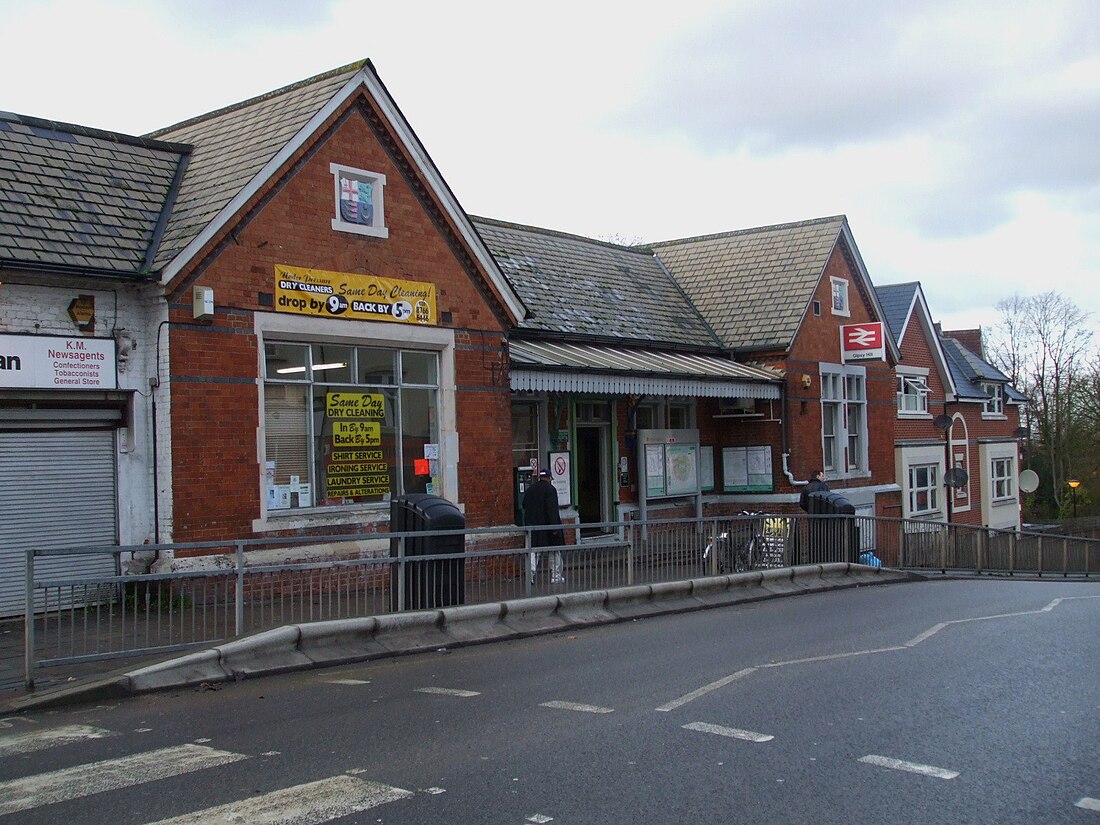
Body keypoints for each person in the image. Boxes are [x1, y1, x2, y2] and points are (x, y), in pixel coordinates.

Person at [522, 469, 565, 584]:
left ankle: (529, 577)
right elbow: (552, 511)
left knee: (533, 553)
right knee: (555, 552)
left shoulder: (530, 489)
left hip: (533, 528)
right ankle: (555, 577)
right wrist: (555, 528)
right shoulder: (551, 490)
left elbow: (524, 505)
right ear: (549, 478)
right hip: (548, 528)